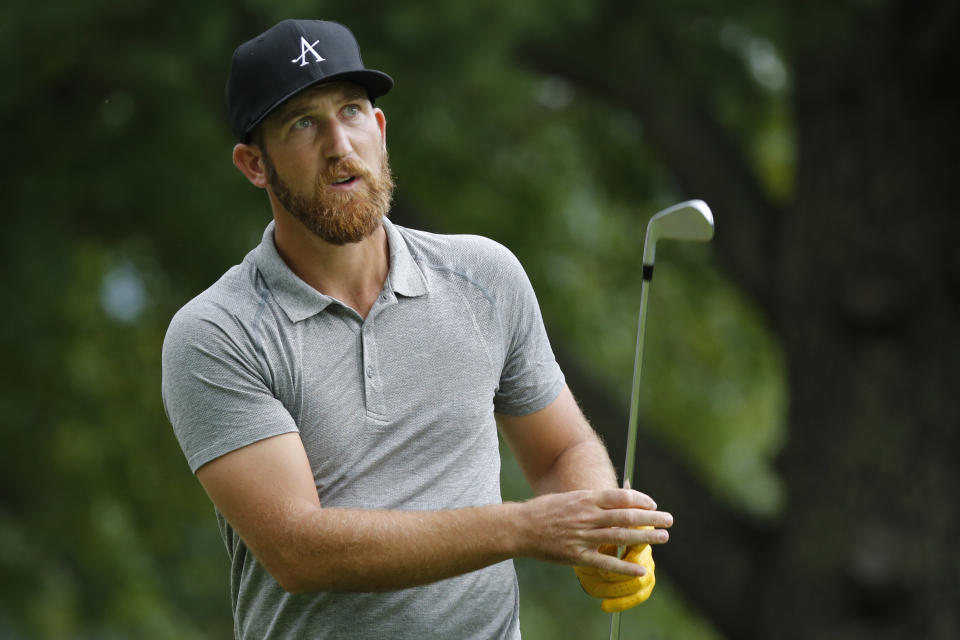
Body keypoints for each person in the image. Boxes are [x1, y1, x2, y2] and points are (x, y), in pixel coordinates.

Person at [161, 18, 672, 640]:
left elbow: (561, 449)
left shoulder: (485, 275)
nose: (338, 145)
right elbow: (300, 550)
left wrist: (599, 530)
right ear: (254, 165)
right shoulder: (219, 333)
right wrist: (524, 528)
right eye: (302, 123)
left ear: (379, 129)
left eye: (351, 111)